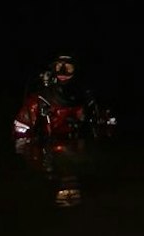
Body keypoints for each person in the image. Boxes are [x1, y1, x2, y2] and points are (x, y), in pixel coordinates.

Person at [13, 54, 113, 206]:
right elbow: (20, 135)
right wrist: (38, 155)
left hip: (80, 156)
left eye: (68, 67)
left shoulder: (89, 100)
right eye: (59, 66)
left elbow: (106, 130)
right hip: (50, 157)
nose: (63, 72)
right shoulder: (38, 101)